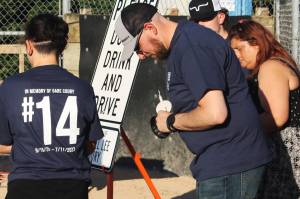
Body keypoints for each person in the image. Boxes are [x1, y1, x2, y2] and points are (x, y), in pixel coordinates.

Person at [115, 3, 272, 199]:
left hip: (230, 163)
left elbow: (215, 113)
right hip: (225, 162)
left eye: (137, 47)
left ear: (150, 28)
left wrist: (170, 123)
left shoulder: (191, 46)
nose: (139, 56)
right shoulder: (184, 43)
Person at [0, 13, 103, 199]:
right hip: (73, 187)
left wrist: (31, 147)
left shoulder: (11, 87)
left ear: (29, 46)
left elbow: (3, 143)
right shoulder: (82, 88)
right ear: (62, 47)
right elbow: (91, 144)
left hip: (25, 186)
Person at [229, 19, 300, 198]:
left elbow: (276, 118)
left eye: (239, 48)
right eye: (233, 50)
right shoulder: (276, 62)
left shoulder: (271, 67)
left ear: (256, 44)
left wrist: (238, 131)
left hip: (285, 152)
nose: (236, 55)